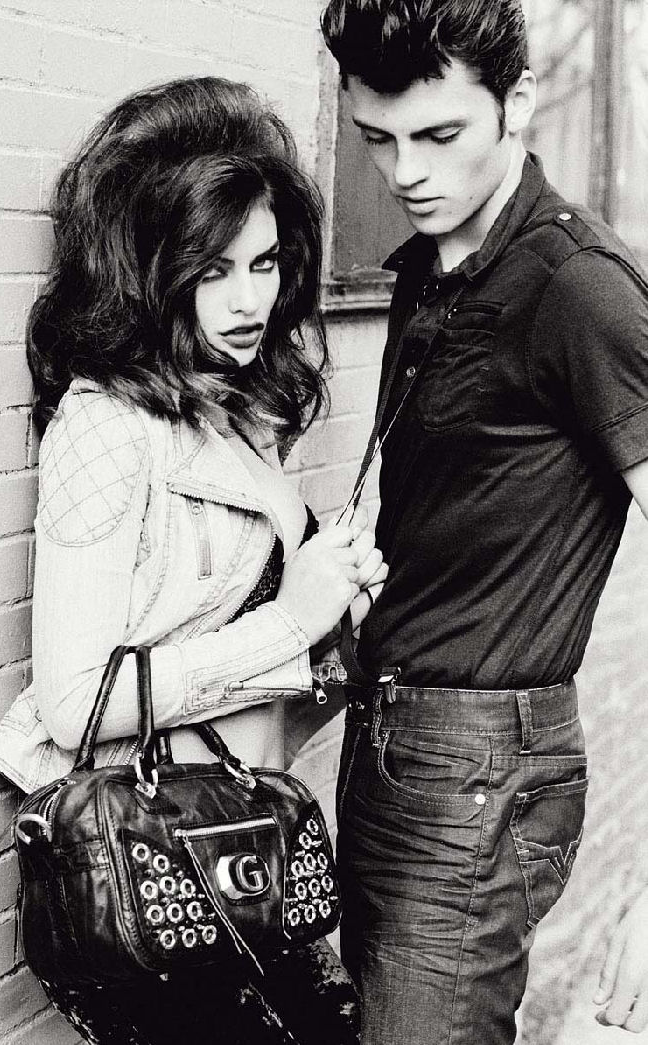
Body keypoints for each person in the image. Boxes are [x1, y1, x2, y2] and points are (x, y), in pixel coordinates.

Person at [0, 76, 387, 1045]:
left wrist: (336, 615)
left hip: (246, 855)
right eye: (213, 270)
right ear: (149, 268)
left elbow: (252, 672)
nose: (250, 300)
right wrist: (291, 619)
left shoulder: (235, 407)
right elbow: (74, 700)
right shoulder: (105, 426)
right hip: (161, 869)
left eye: (266, 263)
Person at [319, 2, 648, 1042]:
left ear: (518, 101)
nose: (407, 171)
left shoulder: (579, 288)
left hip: (478, 778)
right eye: (377, 140)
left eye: (440, 134)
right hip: (390, 747)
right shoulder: (431, 268)